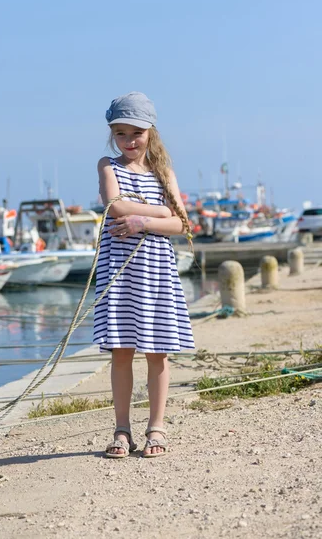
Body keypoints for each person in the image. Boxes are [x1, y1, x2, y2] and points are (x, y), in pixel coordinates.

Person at [94, 91, 194, 459]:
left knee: (158, 352)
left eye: (136, 133)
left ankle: (157, 426)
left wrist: (142, 222)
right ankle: (122, 429)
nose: (129, 141)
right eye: (120, 133)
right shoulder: (109, 164)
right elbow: (114, 203)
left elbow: (182, 224)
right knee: (121, 351)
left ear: (150, 131)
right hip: (120, 274)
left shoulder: (163, 171)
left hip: (155, 272)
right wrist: (157, 212)